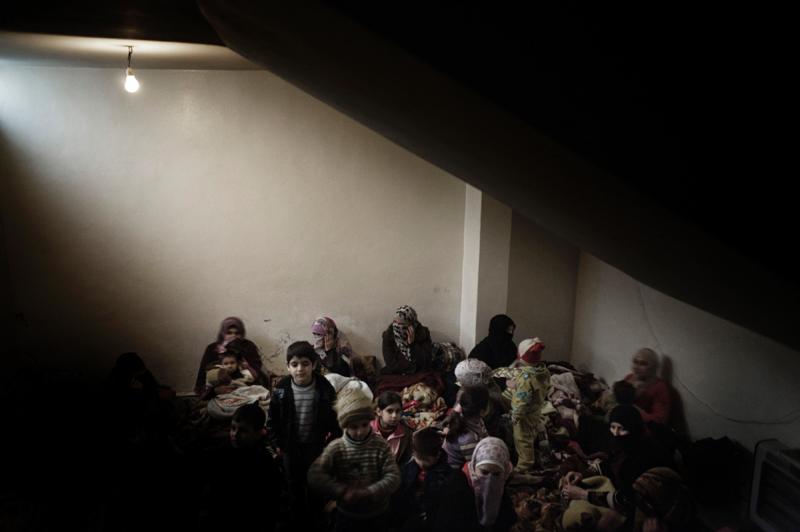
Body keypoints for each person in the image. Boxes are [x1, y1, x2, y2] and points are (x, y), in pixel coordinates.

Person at [561, 405, 673, 531]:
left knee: (606, 522)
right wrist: (583, 474)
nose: (616, 433)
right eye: (613, 428)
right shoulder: (625, 445)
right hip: (628, 495)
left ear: (634, 428)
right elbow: (610, 463)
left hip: (650, 507)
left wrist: (583, 494)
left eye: (621, 429)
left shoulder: (645, 457)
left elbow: (627, 500)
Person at [267, 341, 341, 527]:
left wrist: (331, 444)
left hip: (316, 447)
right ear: (288, 367)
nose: (300, 369)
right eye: (294, 364)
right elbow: (272, 420)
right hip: (290, 447)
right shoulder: (282, 389)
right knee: (294, 485)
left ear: (314, 364)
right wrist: (278, 444)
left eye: (305, 364)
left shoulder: (324, 388)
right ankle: (298, 521)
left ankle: (317, 519)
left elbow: (335, 419)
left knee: (316, 484)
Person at [307, 389, 401, 532]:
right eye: (354, 427)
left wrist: (369, 492)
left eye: (364, 425)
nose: (360, 431)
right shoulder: (336, 448)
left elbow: (394, 476)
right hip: (347, 515)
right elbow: (315, 474)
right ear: (345, 426)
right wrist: (341, 491)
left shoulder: (380, 446)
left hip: (378, 514)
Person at [201, 403, 282, 532]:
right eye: (233, 428)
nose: (235, 434)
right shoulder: (221, 452)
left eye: (243, 430)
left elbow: (271, 498)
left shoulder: (264, 461)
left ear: (258, 433)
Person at [431, 437, 516, 532]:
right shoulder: (455, 488)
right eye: (484, 472)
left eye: (496, 474)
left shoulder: (499, 482)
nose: (489, 480)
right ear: (474, 467)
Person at [390, 427, 453, 532]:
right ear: (413, 453)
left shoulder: (448, 477)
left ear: (438, 455)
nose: (422, 464)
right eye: (419, 459)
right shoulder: (407, 469)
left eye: (426, 460)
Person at [509, 337, 551, 473]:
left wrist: (516, 415)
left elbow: (523, 399)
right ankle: (532, 450)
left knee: (522, 438)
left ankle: (524, 465)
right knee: (530, 433)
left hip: (524, 413)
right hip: (536, 408)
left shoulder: (526, 379)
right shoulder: (543, 371)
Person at [195, 317, 266, 395]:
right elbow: (202, 378)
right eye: (229, 333)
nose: (233, 336)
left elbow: (256, 374)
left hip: (246, 391)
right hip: (218, 393)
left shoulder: (248, 347)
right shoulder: (212, 349)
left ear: (242, 334)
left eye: (237, 333)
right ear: (223, 333)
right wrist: (215, 390)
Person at [443, 386, 489, 469]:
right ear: (482, 411)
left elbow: (484, 433)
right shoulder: (468, 438)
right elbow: (474, 464)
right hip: (455, 468)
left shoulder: (474, 419)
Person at [624, 348, 672, 426]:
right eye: (635, 362)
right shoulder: (629, 378)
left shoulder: (660, 388)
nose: (636, 367)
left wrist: (630, 407)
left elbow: (659, 422)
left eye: (643, 363)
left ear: (654, 367)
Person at [381, 305, 434, 375]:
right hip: (397, 374)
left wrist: (412, 345)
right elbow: (391, 364)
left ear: (411, 325)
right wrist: (410, 368)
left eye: (401, 323)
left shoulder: (423, 333)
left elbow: (426, 360)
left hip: (419, 372)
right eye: (395, 322)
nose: (397, 326)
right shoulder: (388, 336)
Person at [371, 391, 413, 465]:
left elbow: (405, 462)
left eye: (398, 411)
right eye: (389, 411)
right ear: (379, 412)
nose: (394, 415)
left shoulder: (406, 434)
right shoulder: (367, 430)